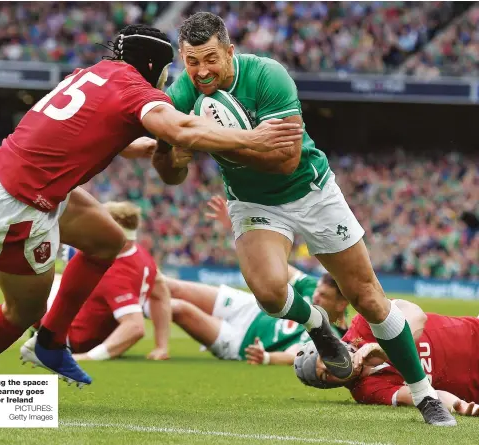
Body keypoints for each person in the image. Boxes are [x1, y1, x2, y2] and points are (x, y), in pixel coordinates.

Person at [0, 24, 302, 402]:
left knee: (109, 242)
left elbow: (110, 134)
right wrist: (251, 138)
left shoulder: (95, 74)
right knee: (24, 308)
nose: (167, 79)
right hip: (19, 204)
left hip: (18, 176)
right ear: (153, 65)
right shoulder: (135, 89)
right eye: (167, 69)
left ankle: (50, 342)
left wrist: (152, 148)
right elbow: (180, 127)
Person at [153, 12, 455, 425]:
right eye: (192, 61)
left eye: (210, 59)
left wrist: (213, 140)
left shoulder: (268, 77)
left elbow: (285, 160)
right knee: (270, 294)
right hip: (251, 202)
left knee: (368, 297)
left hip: (311, 192)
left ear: (230, 52)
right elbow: (172, 176)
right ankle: (319, 326)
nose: (201, 71)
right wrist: (172, 154)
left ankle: (425, 395)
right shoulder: (182, 94)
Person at [30, 201, 171, 362]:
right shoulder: (142, 255)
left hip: (73, 340)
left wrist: (88, 357)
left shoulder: (113, 271)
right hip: (101, 334)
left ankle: (37, 332)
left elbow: (135, 326)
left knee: (39, 281)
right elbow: (160, 292)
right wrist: (162, 346)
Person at [295, 300, 479, 418]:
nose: (334, 368)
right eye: (327, 375)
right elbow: (423, 396)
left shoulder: (363, 324)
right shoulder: (365, 391)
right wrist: (458, 405)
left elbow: (416, 314)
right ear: (329, 386)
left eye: (327, 359)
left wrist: (386, 348)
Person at [167, 267, 348, 365]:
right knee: (173, 287)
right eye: (317, 291)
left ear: (341, 304)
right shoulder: (310, 287)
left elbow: (295, 355)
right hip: (249, 308)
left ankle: (136, 312)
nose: (316, 296)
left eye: (323, 295)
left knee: (177, 308)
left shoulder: (330, 335)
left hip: (241, 341)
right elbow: (279, 266)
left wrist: (267, 358)